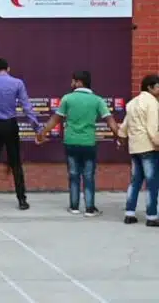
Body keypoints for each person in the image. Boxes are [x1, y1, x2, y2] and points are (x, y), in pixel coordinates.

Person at [36, 70, 121, 217]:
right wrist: (120, 137)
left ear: (79, 82)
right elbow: (110, 121)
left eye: (73, 81)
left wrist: (42, 134)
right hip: (89, 143)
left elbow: (55, 119)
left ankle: (74, 207)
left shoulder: (67, 99)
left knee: (73, 174)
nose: (71, 83)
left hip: (71, 142)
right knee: (88, 176)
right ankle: (89, 209)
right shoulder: (97, 100)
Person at [0, 58, 39, 211]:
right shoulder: (17, 83)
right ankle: (22, 200)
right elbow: (26, 106)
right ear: (8, 68)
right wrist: (36, 127)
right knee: (16, 163)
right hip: (10, 125)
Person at [118, 74, 159, 226]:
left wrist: (121, 139)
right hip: (149, 147)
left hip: (134, 147)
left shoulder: (132, 103)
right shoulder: (152, 103)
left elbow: (124, 126)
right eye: (158, 87)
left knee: (135, 182)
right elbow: (153, 129)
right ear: (150, 87)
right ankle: (152, 216)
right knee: (152, 183)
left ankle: (129, 213)